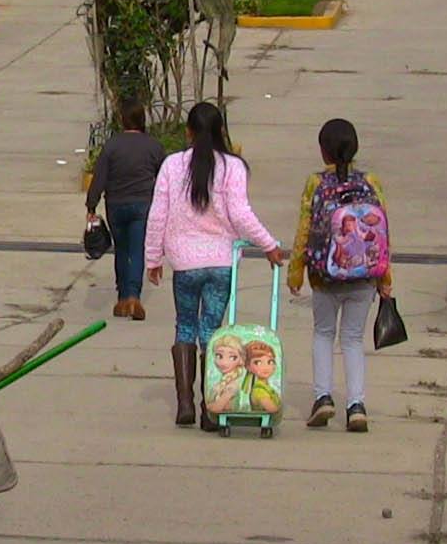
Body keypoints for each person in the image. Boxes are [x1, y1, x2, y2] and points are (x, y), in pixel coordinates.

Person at [144, 102, 287, 430]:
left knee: (184, 327)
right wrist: (269, 246)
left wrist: (153, 258)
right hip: (222, 263)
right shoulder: (233, 167)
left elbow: (157, 215)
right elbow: (240, 213)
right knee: (211, 331)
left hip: (184, 262)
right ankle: (212, 405)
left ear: (188, 132)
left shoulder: (172, 165)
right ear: (221, 131)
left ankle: (184, 404)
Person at [288, 117, 393, 433]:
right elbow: (383, 230)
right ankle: (356, 405)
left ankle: (323, 397)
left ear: (324, 152)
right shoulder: (371, 182)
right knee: (352, 339)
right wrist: (385, 277)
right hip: (364, 276)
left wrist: (296, 271)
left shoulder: (316, 184)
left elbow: (305, 228)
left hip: (325, 274)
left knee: (323, 333)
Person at [85, 97, 166, 320]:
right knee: (138, 249)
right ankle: (134, 296)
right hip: (142, 204)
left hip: (116, 204)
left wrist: (91, 205)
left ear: (122, 120)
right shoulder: (153, 146)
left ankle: (122, 298)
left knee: (121, 250)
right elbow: (165, 178)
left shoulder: (112, 146)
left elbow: (99, 177)